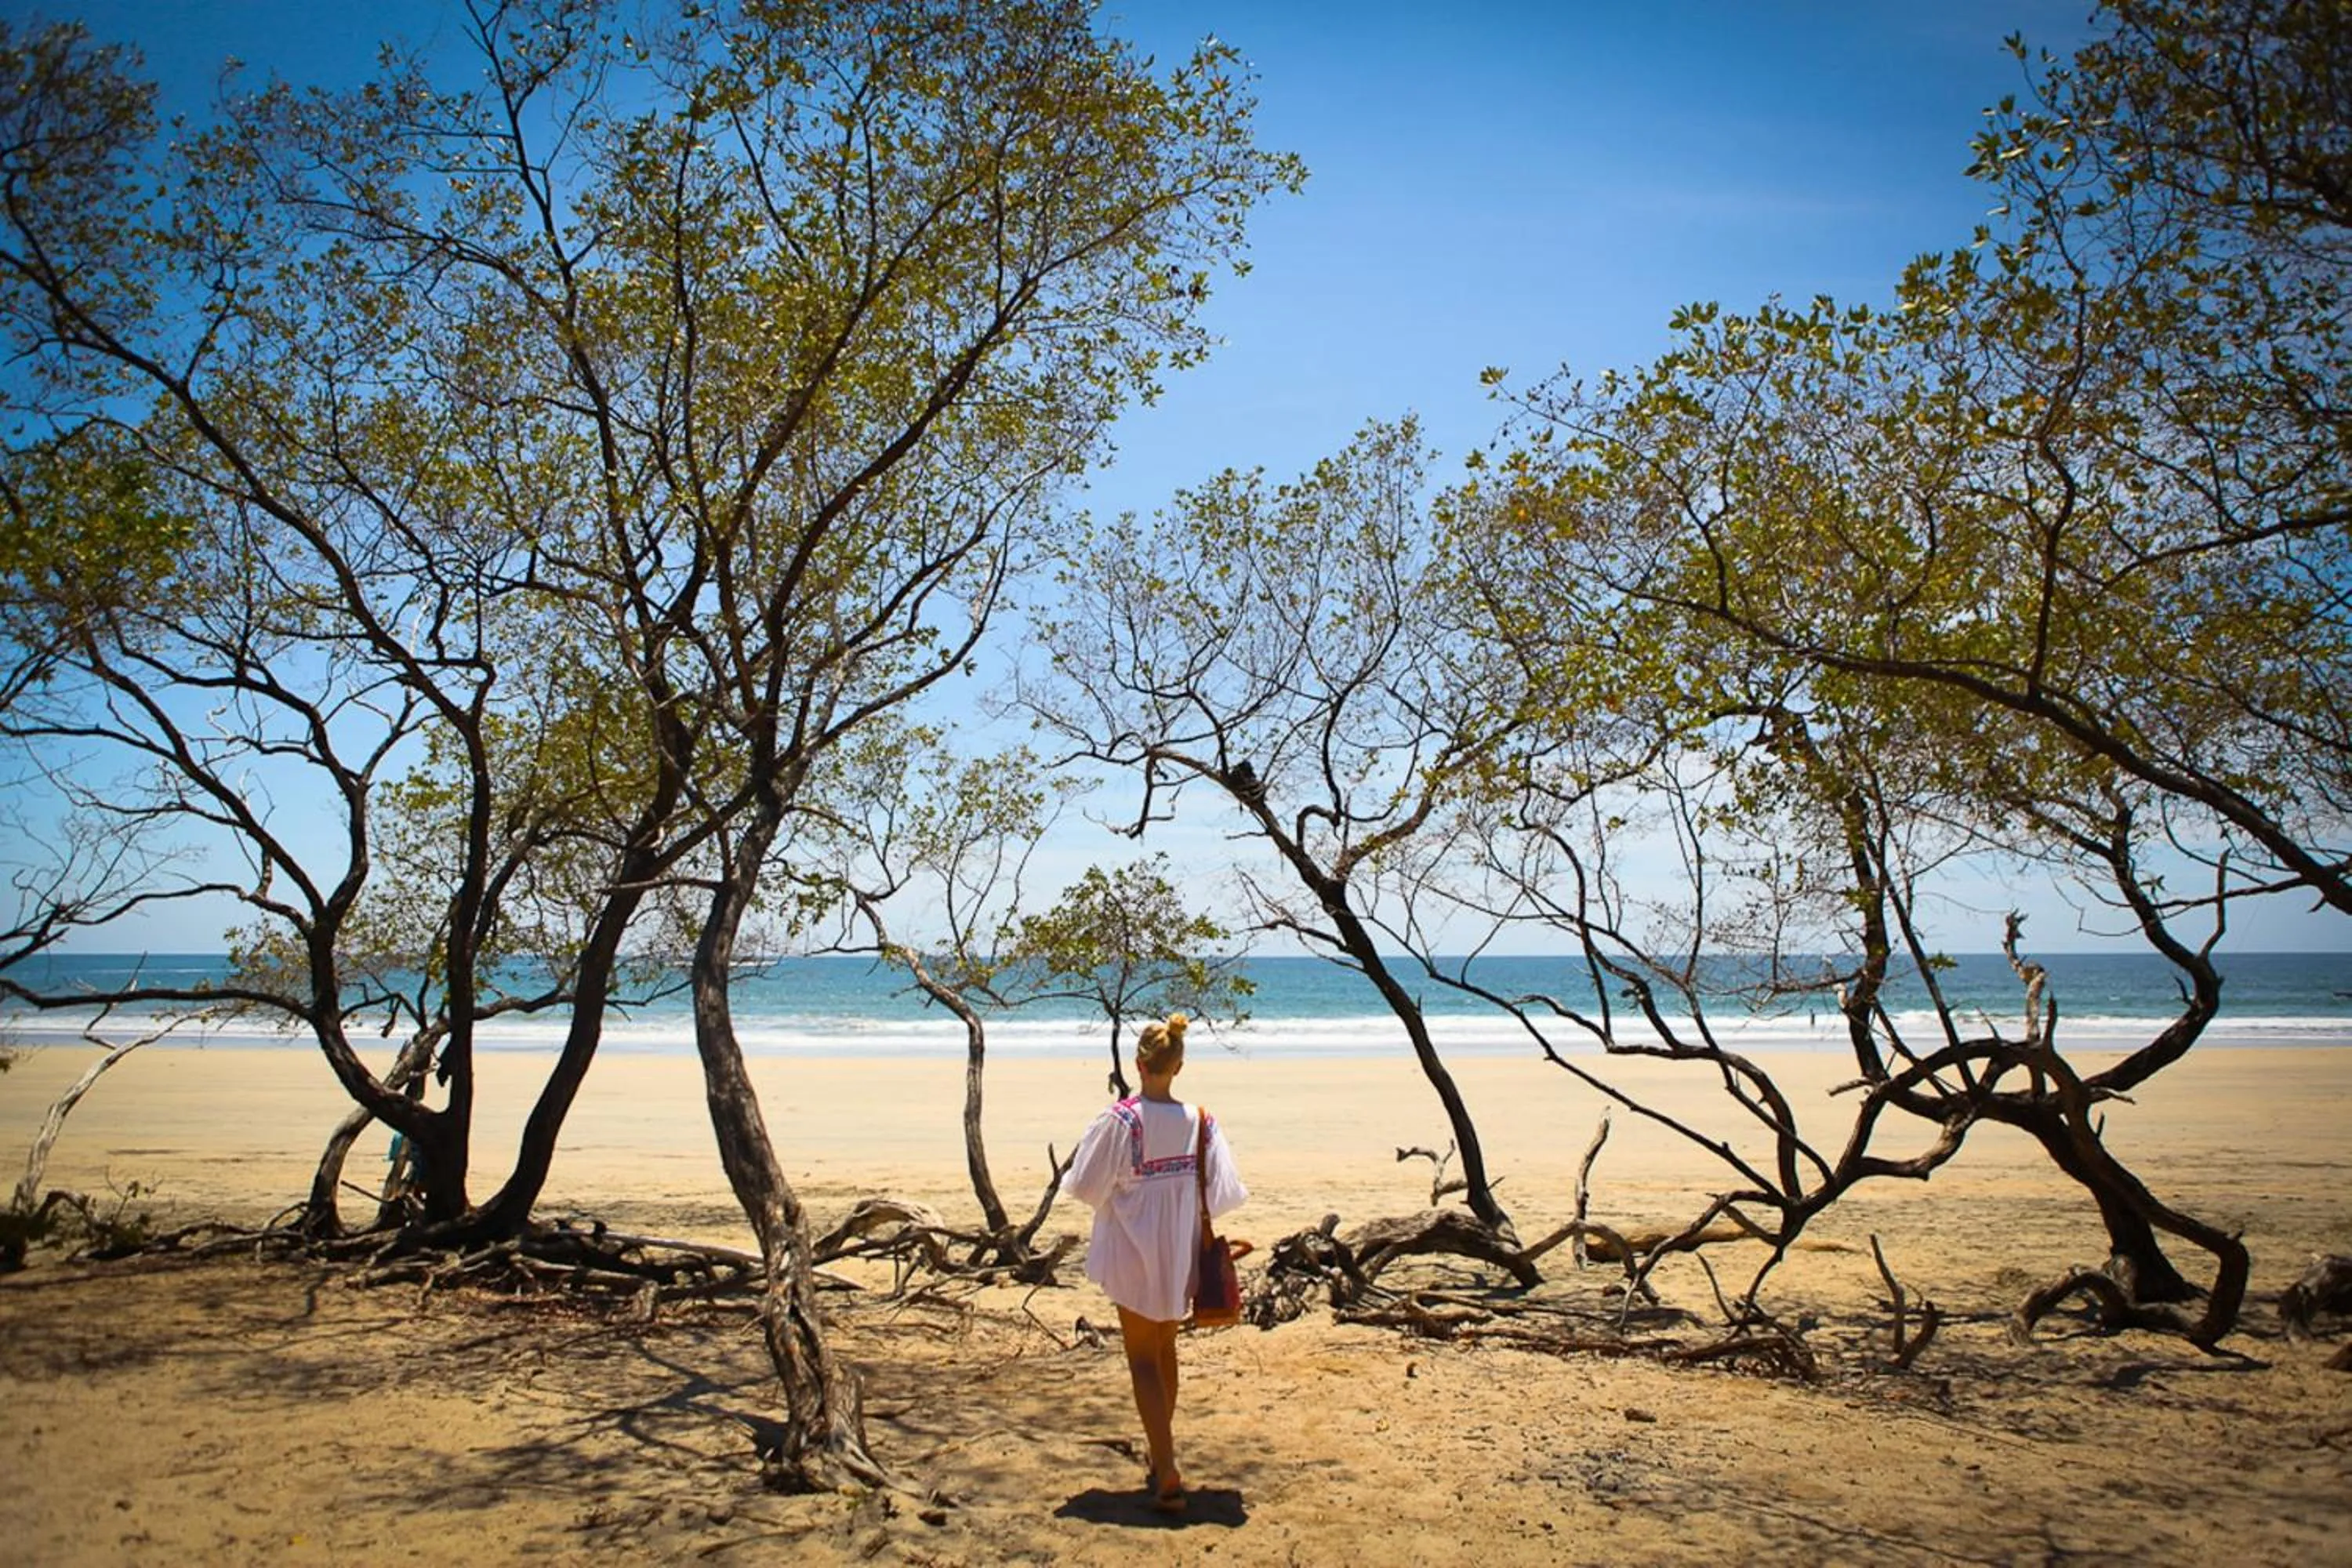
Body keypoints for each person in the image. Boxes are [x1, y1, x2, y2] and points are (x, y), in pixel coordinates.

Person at [1058, 1011, 1247, 1513]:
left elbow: (1083, 1186)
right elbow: (1225, 1192)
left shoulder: (1121, 1120)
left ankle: (1165, 1470)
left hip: (1133, 1249)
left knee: (1143, 1356)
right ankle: (1158, 1455)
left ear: (1139, 1064)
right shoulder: (1200, 1122)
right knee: (1164, 1350)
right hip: (1177, 1250)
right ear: (1178, 1066)